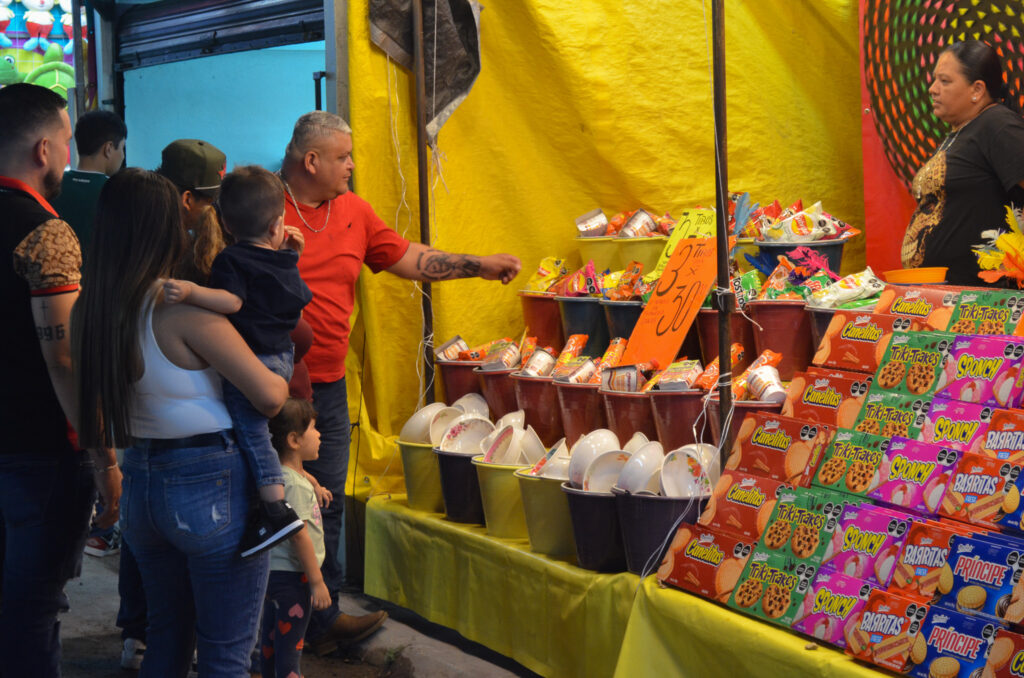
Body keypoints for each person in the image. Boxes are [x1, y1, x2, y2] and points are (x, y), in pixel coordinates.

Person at [278, 110, 521, 653]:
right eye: (342, 157)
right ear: (311, 160)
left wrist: (479, 265)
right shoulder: (266, 206)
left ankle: (322, 620)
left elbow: (408, 256)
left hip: (326, 388)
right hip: (268, 385)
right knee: (273, 501)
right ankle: (267, 626)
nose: (351, 165)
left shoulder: (354, 211)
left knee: (323, 500)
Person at [71, 168, 289, 676]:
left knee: (165, 639)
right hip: (210, 482)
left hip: (141, 481)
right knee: (225, 653)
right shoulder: (183, 312)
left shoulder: (90, 311)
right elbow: (270, 397)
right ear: (167, 229)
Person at [0, 83, 119, 676]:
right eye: (67, 141)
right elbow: (64, 358)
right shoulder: (45, 232)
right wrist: (104, 455)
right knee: (31, 610)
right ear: (43, 149)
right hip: (38, 452)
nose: (70, 156)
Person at [163, 165, 313, 558]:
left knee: (252, 432)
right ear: (277, 224)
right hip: (282, 357)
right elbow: (296, 300)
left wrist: (191, 292)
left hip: (255, 360)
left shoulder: (231, 259)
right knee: (264, 431)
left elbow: (231, 302)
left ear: (226, 225)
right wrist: (289, 256)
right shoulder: (284, 260)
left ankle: (275, 507)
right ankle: (271, 499)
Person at [901, 40, 1024, 285]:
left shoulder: (998, 124)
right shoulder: (962, 132)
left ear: (977, 89)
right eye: (934, 80)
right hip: (943, 294)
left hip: (985, 297)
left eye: (945, 81)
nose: (932, 89)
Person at [260, 398, 331, 678]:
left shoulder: (279, 476)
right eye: (313, 428)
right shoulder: (296, 487)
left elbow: (299, 473)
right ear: (294, 440)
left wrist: (316, 485)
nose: (319, 434)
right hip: (294, 578)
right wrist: (317, 581)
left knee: (270, 642)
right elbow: (299, 536)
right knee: (291, 649)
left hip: (271, 575)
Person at [51, 108, 126, 264]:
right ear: (108, 149)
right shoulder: (119, 191)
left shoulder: (52, 186)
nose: (123, 156)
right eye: (122, 148)